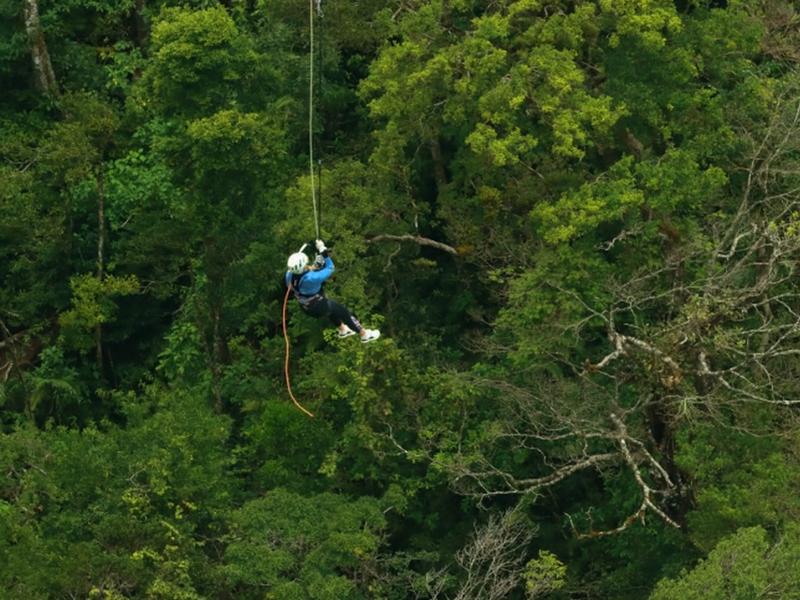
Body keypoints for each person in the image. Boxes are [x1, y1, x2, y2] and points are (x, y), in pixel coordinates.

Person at [285, 239, 380, 343]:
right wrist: (324, 253)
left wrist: (317, 264)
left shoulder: (289, 275)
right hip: (318, 306)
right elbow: (330, 268)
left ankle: (343, 330)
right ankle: (364, 335)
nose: (307, 265)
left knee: (331, 310)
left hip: (307, 307)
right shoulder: (311, 279)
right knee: (344, 312)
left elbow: (306, 272)